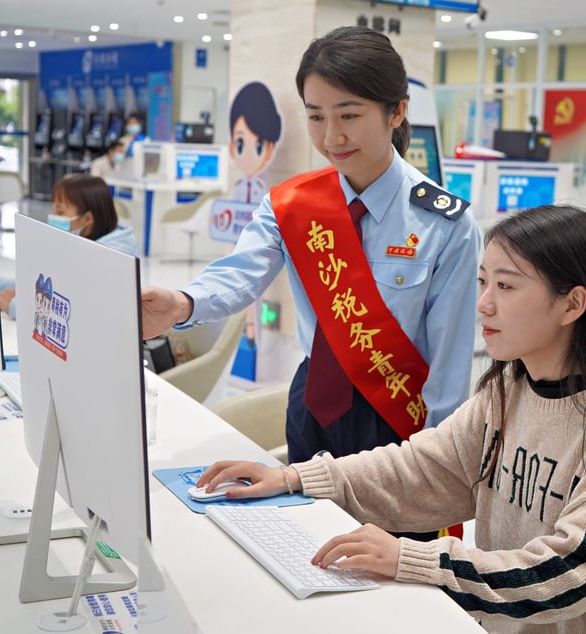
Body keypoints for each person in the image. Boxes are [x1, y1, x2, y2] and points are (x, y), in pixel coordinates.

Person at [197, 204, 586, 632]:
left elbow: (571, 571)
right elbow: (422, 469)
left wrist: (415, 561)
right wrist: (294, 478)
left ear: (572, 303)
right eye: (483, 282)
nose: (483, 305)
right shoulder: (509, 390)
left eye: (506, 288)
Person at [140, 26, 481, 535]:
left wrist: (438, 472)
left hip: (396, 424)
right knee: (307, 545)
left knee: (384, 568)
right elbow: (241, 275)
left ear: (397, 111)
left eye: (349, 115)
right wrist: (182, 302)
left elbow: (450, 373)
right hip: (312, 407)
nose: (330, 138)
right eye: (316, 116)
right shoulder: (294, 204)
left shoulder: (444, 225)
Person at [0, 174, 136, 318]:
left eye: (60, 211)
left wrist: (16, 307)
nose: (53, 215)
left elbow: (75, 310)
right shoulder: (81, 240)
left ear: (88, 218)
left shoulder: (111, 256)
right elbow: (48, 284)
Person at [228, 81, 283, 206]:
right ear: (231, 147)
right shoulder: (237, 187)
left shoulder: (260, 188)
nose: (248, 157)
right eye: (240, 145)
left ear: (269, 150)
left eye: (259, 147)